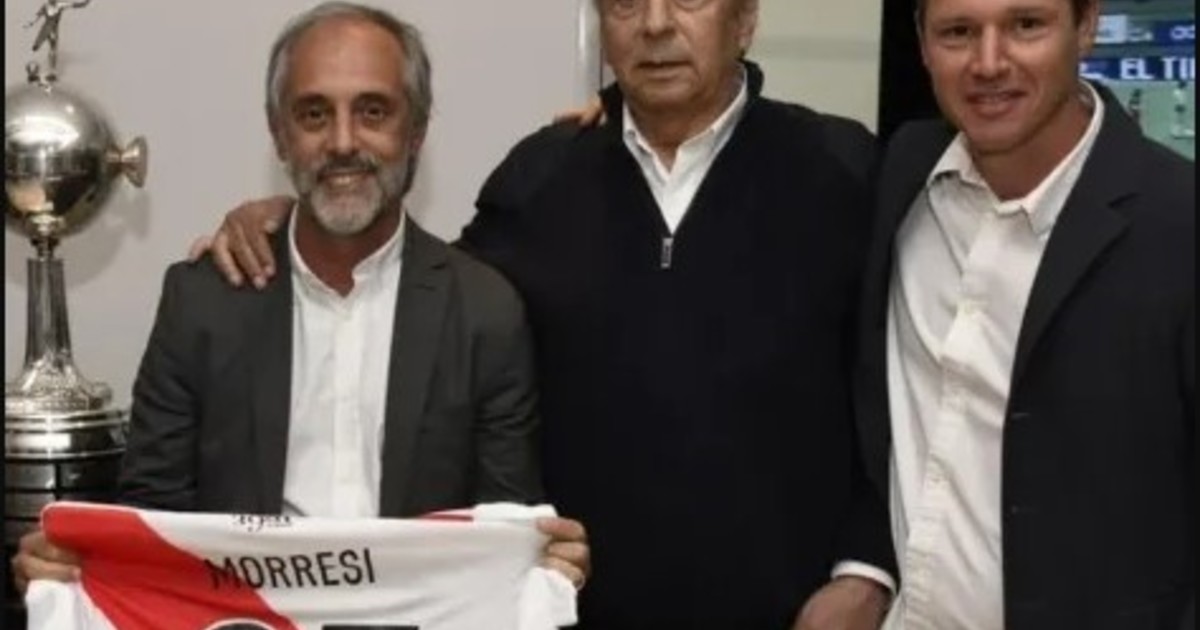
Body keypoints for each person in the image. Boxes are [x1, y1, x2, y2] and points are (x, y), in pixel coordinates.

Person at [182, 0, 898, 627]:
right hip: (573, 612)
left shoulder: (844, 171)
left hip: (792, 612)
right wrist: (297, 224)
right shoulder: (541, 176)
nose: (654, 24)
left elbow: (903, 397)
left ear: (745, 19)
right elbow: (415, 288)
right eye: (624, 3)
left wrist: (865, 571)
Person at [11, 0, 589, 598]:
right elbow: (154, 522)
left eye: (372, 111)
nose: (342, 142)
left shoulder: (484, 311)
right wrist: (76, 569)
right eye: (314, 114)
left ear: (415, 131)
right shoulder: (203, 301)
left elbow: (500, 530)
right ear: (279, 135)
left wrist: (541, 566)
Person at [854, 0, 1194, 627]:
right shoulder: (902, 172)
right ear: (923, 46)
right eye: (958, 32)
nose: (989, 63)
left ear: (1086, 27)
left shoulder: (1178, 225)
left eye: (1026, 25)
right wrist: (865, 567)